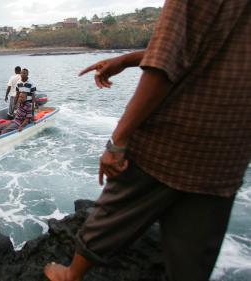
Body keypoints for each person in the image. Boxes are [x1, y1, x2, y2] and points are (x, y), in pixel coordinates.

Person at [44, 1, 250, 281]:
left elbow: (166, 62)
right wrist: (126, 59)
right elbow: (209, 52)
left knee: (115, 208)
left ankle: (72, 274)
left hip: (172, 140)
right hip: (227, 151)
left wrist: (118, 141)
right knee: (192, 260)